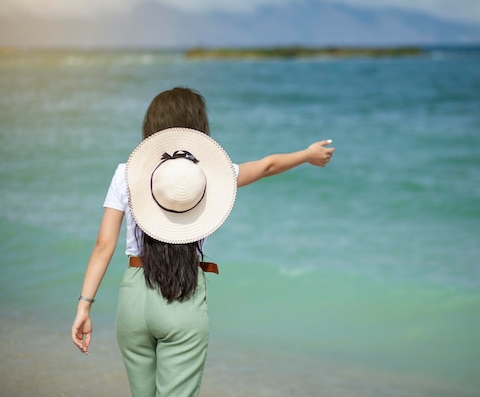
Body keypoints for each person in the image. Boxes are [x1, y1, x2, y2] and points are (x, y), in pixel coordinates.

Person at [71, 87, 334, 397]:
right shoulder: (210, 175)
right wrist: (307, 155)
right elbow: (266, 166)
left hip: (132, 298)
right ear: (197, 127)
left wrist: (84, 306)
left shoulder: (126, 174)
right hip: (183, 293)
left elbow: (104, 245)